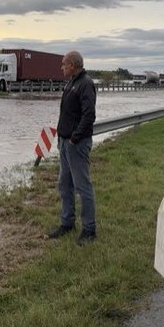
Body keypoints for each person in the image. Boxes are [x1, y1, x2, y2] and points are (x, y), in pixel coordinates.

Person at [48, 51, 98, 244]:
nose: (61, 67)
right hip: (65, 142)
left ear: (73, 65)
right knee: (64, 184)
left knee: (82, 186)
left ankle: (89, 229)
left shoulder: (85, 84)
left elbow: (89, 115)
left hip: (76, 144)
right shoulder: (71, 83)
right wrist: (62, 137)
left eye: (64, 64)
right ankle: (67, 222)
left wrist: (75, 138)